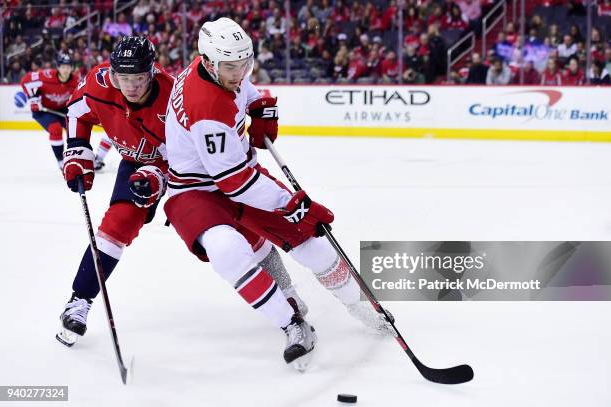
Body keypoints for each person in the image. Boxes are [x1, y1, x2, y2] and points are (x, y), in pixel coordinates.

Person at [164, 18, 391, 369]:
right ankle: (291, 322)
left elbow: (245, 90)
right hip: (195, 189)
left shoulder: (216, 65)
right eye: (231, 67)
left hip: (237, 172)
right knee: (229, 251)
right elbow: (234, 183)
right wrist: (292, 205)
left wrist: (258, 105)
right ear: (208, 62)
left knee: (313, 246)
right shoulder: (207, 107)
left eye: (245, 63)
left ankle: (361, 305)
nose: (240, 72)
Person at [55, 36, 310, 349]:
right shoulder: (99, 83)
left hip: (187, 169)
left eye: (138, 79)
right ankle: (79, 300)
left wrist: (157, 176)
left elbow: (186, 155)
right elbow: (77, 110)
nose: (131, 87)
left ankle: (287, 291)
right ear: (112, 74)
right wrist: (78, 150)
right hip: (134, 161)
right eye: (124, 79)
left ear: (152, 72)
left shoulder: (173, 95)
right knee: (116, 226)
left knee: (243, 226)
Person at [20, 53, 80, 170]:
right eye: (63, 66)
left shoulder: (76, 81)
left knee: (76, 130)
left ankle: (77, 157)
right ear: (57, 67)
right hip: (43, 110)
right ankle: (61, 161)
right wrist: (32, 98)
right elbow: (25, 80)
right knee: (55, 129)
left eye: (68, 66)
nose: (65, 70)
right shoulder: (46, 76)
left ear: (72, 68)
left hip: (62, 110)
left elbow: (84, 95)